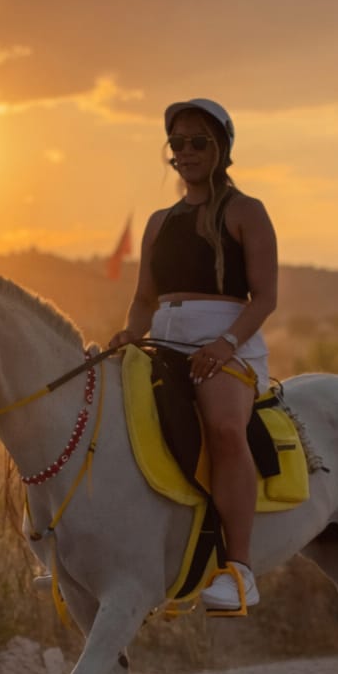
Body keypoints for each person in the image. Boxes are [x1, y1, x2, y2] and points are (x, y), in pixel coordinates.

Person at [108, 98, 278, 610]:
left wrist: (225, 345)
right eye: (177, 142)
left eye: (198, 141)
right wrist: (128, 334)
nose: (186, 151)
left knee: (225, 428)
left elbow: (266, 297)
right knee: (104, 415)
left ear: (221, 147)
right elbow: (142, 299)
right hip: (162, 334)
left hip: (227, 337)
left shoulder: (247, 212)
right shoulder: (159, 222)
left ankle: (240, 570)